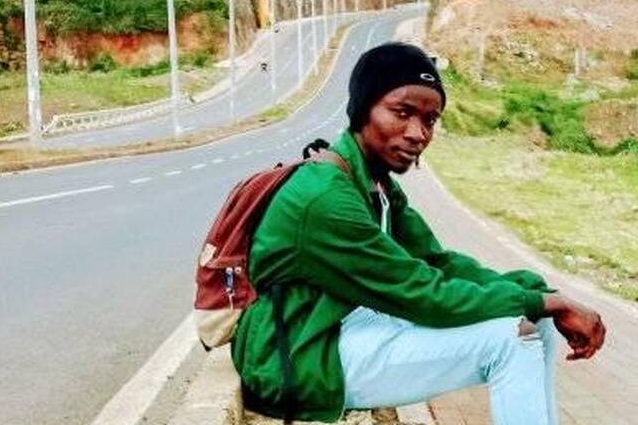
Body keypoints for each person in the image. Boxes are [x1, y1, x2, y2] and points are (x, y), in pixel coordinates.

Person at [231, 42, 606, 424]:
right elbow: (423, 293)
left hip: (345, 326)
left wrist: (542, 294)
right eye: (402, 112)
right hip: (300, 355)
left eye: (430, 120)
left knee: (535, 323)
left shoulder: (374, 182)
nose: (417, 133)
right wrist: (544, 302)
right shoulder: (326, 197)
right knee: (511, 340)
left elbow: (438, 263)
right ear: (363, 109)